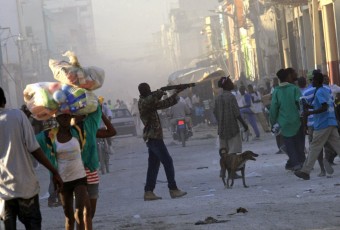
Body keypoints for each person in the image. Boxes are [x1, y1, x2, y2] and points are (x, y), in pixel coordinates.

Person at [0, 87, 63, 229]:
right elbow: (34, 148)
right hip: (25, 186)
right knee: (33, 225)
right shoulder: (17, 115)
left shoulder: (17, 115)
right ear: (4, 100)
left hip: (3, 192)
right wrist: (54, 171)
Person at [36, 106, 103, 230]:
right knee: (69, 218)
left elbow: (95, 114)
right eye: (62, 116)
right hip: (63, 182)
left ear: (71, 116)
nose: (65, 118)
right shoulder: (48, 136)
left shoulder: (79, 130)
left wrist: (94, 102)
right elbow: (31, 143)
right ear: (57, 118)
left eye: (68, 116)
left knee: (79, 212)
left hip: (80, 178)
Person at [138, 82, 187, 201]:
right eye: (147, 89)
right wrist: (159, 93)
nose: (149, 91)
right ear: (142, 92)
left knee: (153, 165)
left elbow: (165, 104)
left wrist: (176, 93)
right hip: (153, 137)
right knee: (168, 161)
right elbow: (152, 100)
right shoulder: (143, 102)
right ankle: (173, 189)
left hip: (154, 137)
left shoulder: (149, 102)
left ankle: (149, 191)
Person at [295, 72, 340, 180]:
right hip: (331, 122)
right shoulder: (325, 90)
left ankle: (305, 171)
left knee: (314, 147)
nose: (312, 82)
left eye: (313, 80)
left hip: (323, 123)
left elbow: (324, 107)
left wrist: (310, 113)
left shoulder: (319, 91)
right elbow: (324, 105)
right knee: (338, 145)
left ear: (318, 81)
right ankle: (305, 171)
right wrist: (309, 106)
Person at [270, 69, 305, 171]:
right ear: (288, 77)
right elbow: (301, 104)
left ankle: (295, 163)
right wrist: (303, 117)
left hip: (283, 122)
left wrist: (273, 122)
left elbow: (273, 109)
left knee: (289, 144)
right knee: (299, 142)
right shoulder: (294, 89)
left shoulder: (276, 91)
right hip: (296, 120)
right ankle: (302, 161)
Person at [213, 76, 249, 177]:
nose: (232, 84)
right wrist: (244, 124)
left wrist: (221, 120)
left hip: (222, 128)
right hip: (232, 127)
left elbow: (215, 112)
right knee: (233, 151)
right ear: (227, 85)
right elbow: (236, 113)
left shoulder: (217, 98)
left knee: (224, 151)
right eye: (231, 82)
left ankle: (224, 170)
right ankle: (232, 173)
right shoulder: (231, 97)